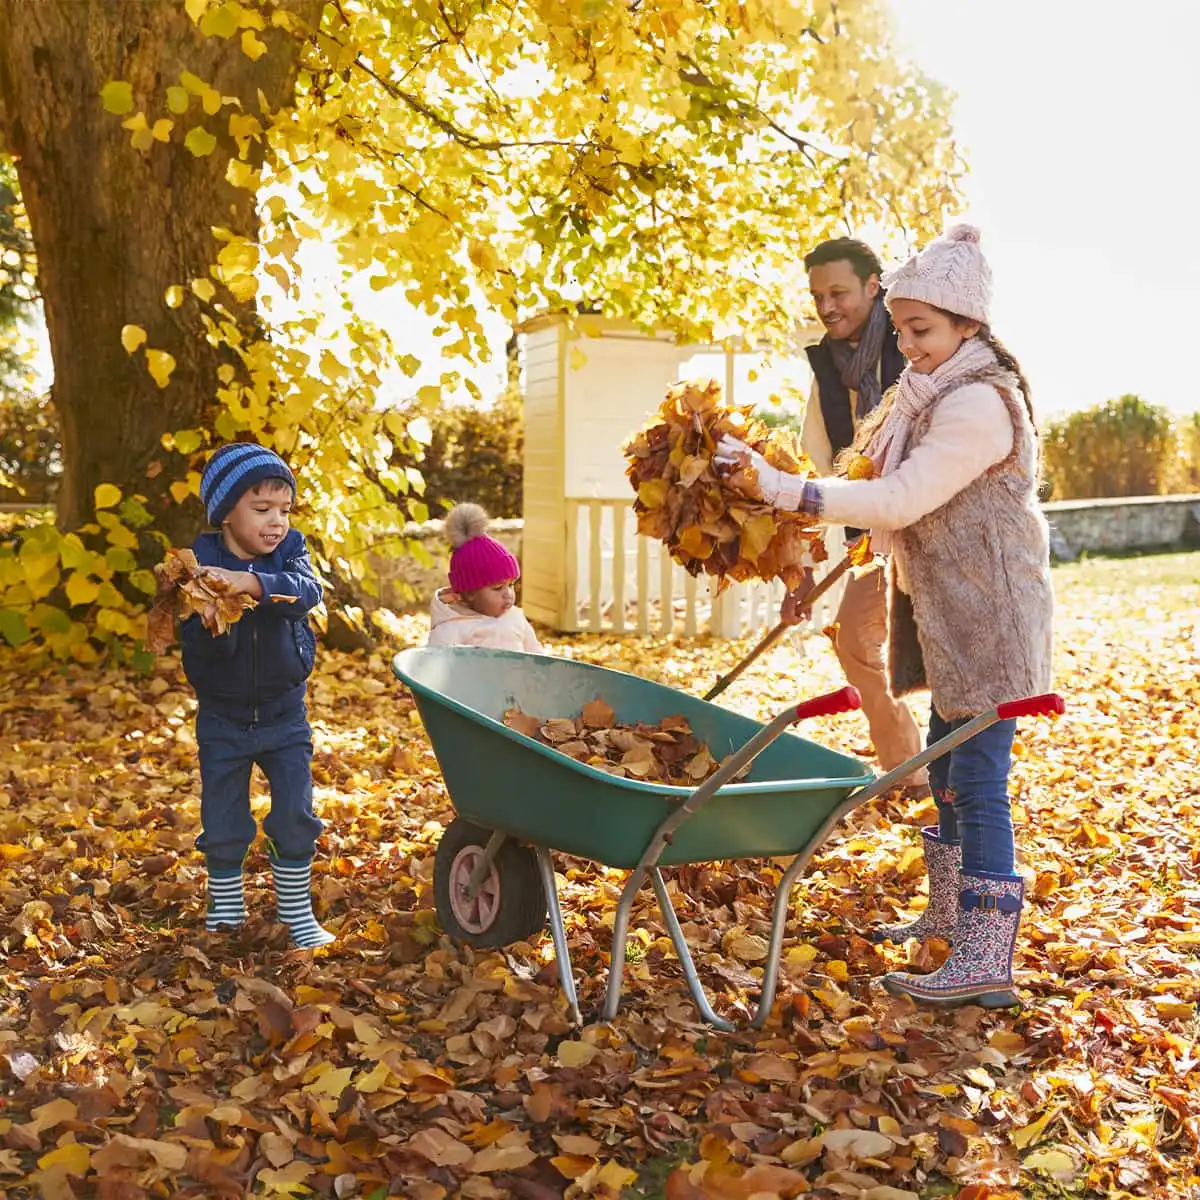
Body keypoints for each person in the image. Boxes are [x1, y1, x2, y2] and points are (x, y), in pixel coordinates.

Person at [717, 225, 1052, 1007]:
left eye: (922, 330)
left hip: (990, 618)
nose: (908, 347)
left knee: (979, 779)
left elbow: (899, 499)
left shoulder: (978, 405)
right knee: (945, 761)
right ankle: (948, 916)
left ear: (969, 325)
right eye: (900, 330)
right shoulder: (931, 393)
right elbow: (878, 497)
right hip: (945, 611)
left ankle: (984, 958)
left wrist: (784, 490)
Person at [183, 442, 334, 949]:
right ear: (226, 513)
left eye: (284, 510)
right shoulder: (200, 563)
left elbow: (305, 593)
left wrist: (251, 583)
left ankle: (295, 914)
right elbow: (193, 639)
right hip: (223, 716)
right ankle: (226, 908)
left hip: (283, 713)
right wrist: (209, 609)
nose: (276, 522)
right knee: (224, 816)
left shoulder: (292, 553)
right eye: (262, 509)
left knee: (295, 812)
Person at [793, 238, 926, 792]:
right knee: (853, 638)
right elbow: (816, 471)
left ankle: (962, 781)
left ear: (875, 287)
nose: (827, 306)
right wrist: (800, 566)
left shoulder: (918, 345)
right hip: (874, 540)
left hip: (931, 527)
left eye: (839, 292)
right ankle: (908, 770)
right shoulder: (827, 369)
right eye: (818, 295)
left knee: (942, 655)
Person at [428, 503, 542, 652]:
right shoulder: (452, 628)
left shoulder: (516, 619)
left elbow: (538, 658)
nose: (508, 594)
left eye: (511, 585)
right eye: (497, 588)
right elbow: (434, 668)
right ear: (469, 593)